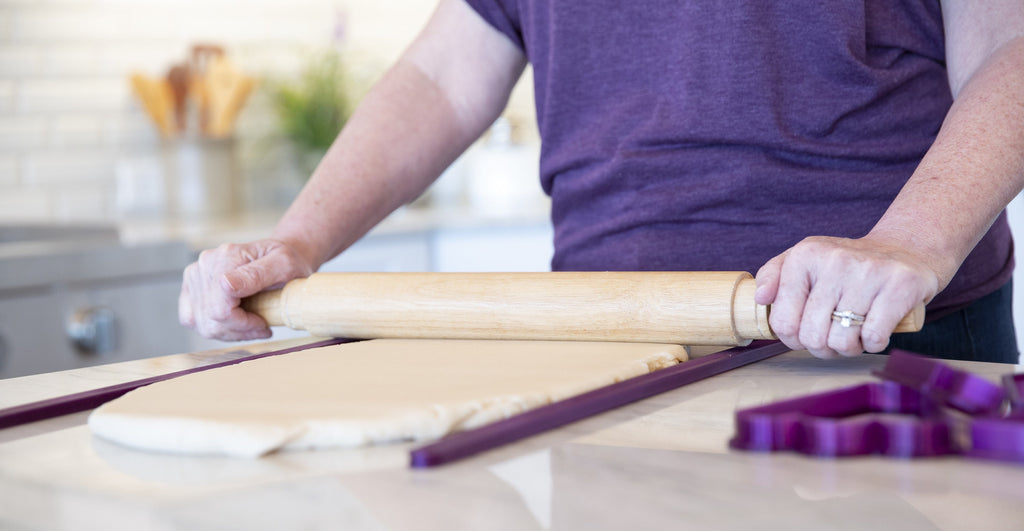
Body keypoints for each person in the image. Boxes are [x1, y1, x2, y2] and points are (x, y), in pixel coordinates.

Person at [179, 0, 1024, 362]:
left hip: (880, 337)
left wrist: (909, 240)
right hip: (607, 344)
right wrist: (296, 241)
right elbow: (444, 74)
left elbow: (1006, 46)